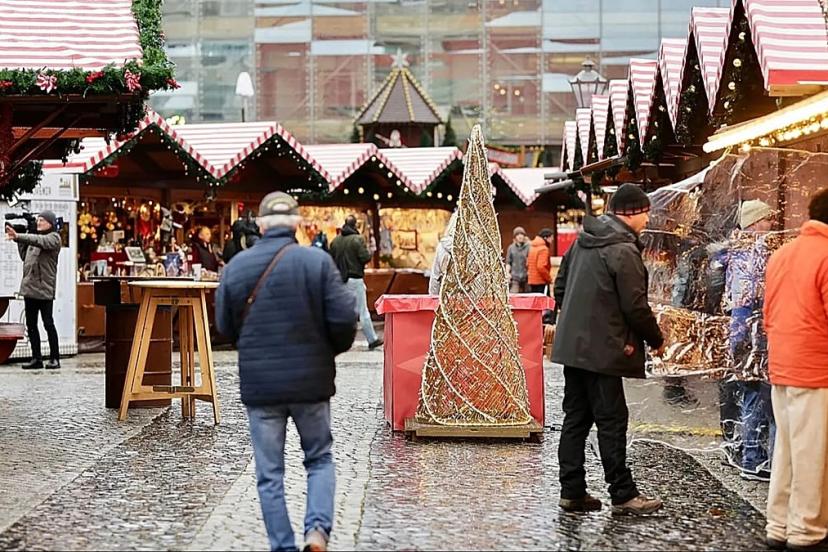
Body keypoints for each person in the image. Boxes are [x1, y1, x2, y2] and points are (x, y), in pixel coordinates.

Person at [216, 192, 357, 552]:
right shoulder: (318, 263)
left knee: (269, 475)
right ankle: (317, 533)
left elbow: (225, 327)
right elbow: (345, 320)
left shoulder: (236, 268)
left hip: (261, 387)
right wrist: (326, 352)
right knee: (319, 458)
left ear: (261, 226)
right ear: (297, 224)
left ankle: (282, 546)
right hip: (311, 382)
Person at [553, 183, 665, 516]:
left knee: (576, 419)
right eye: (645, 212)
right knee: (612, 421)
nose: (648, 219)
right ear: (631, 212)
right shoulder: (623, 250)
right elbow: (635, 306)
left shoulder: (582, 241)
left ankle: (572, 491)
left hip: (574, 347)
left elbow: (560, 287)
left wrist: (578, 322)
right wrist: (656, 339)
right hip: (604, 350)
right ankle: (623, 494)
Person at [764, 188, 828, 552]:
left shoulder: (782, 253)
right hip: (817, 369)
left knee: (787, 450)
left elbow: (768, 313)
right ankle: (806, 532)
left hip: (783, 365)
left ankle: (779, 525)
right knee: (812, 454)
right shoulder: (826, 255)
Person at [709, 199, 775, 481]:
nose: (772, 224)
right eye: (767, 219)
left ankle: (739, 450)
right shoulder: (753, 252)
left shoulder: (731, 250)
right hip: (751, 333)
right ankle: (753, 460)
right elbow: (751, 297)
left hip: (736, 332)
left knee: (742, 394)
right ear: (755, 223)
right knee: (756, 395)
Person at [5, 211, 62, 370]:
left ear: (50, 223)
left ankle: (55, 358)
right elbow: (25, 257)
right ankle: (36, 358)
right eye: (38, 220)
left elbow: (39, 241)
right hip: (30, 288)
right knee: (31, 325)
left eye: (42, 220)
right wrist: (19, 239)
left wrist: (19, 236)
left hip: (44, 288)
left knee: (48, 323)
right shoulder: (34, 237)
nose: (38, 222)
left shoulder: (54, 238)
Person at [329, 215, 383, 350]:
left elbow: (331, 259)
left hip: (340, 280)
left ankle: (335, 340)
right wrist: (371, 251)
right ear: (355, 225)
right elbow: (365, 257)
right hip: (355, 278)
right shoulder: (357, 240)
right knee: (363, 311)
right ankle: (372, 339)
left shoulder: (335, 241)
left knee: (341, 311)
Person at [428, 212, 458, 296]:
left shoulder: (442, 247)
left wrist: (433, 299)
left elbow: (435, 277)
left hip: (446, 297)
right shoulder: (475, 249)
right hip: (470, 300)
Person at [527, 228, 554, 293]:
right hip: (541, 281)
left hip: (532, 280)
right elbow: (541, 267)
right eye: (551, 237)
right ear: (545, 237)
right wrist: (549, 278)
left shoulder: (532, 247)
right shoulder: (543, 249)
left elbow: (527, 263)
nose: (552, 239)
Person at [505, 226, 530, 293]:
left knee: (528, 295)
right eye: (518, 234)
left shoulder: (529, 247)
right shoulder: (511, 248)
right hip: (515, 276)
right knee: (513, 294)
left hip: (527, 276)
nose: (520, 236)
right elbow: (508, 262)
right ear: (515, 237)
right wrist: (507, 273)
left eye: (521, 234)